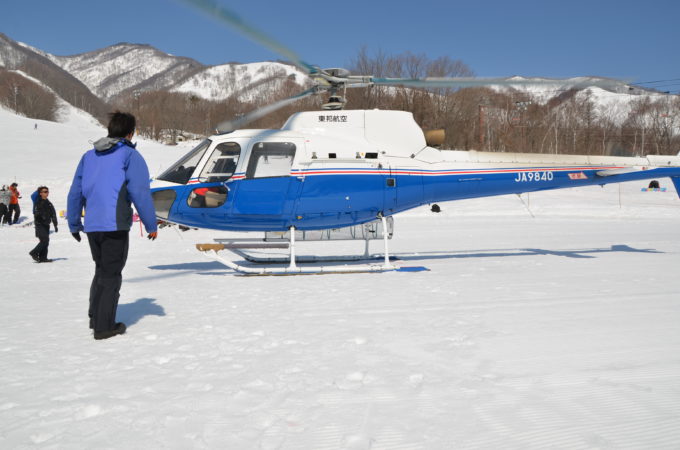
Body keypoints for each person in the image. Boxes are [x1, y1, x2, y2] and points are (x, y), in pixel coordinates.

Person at [67, 111, 158, 340]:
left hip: (93, 226)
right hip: (115, 225)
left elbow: (76, 192)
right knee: (111, 275)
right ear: (131, 132)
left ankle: (95, 316)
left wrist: (74, 223)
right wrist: (150, 224)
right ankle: (104, 326)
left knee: (101, 270)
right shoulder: (129, 155)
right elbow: (140, 192)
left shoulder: (89, 156)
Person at [29, 186, 58, 262]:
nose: (46, 193)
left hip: (46, 224)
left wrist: (55, 224)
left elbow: (53, 214)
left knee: (46, 241)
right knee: (44, 240)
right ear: (40, 193)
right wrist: (39, 190)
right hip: (39, 224)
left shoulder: (49, 203)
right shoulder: (37, 201)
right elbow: (33, 196)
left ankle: (43, 257)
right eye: (44, 191)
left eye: (47, 191)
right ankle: (34, 253)